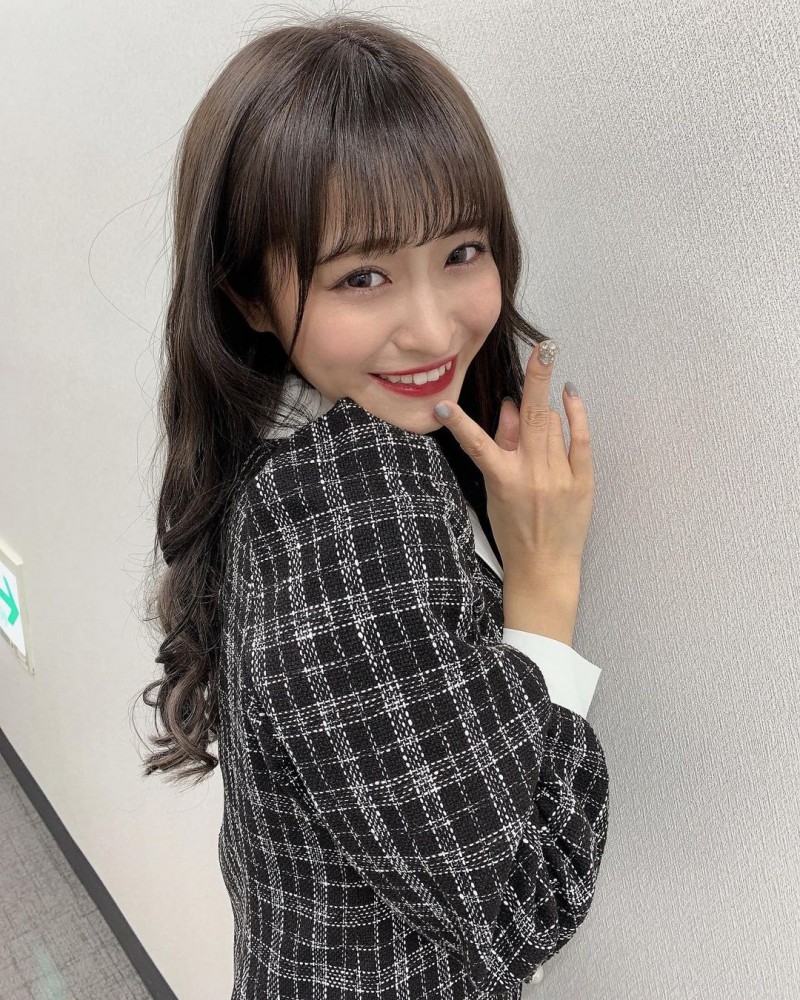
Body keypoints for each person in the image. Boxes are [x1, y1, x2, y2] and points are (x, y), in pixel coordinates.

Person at [136, 11, 611, 1000]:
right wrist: (545, 580)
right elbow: (521, 905)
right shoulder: (344, 509)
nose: (433, 328)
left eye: (462, 251)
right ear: (250, 296)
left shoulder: (283, 435)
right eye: (363, 275)